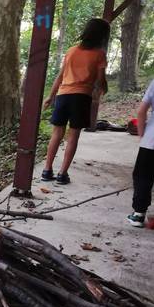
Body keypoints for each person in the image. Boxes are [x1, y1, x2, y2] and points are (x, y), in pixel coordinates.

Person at [42, 18, 110, 185]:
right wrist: (103, 88)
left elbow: (60, 76)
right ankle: (62, 174)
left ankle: (47, 170)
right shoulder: (99, 54)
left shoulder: (72, 51)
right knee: (73, 136)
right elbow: (100, 80)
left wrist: (51, 96)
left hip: (63, 96)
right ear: (102, 36)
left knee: (56, 134)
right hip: (81, 97)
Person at [127, 80, 154, 227]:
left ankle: (138, 214)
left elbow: (141, 111)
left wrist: (142, 135)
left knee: (143, 176)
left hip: (152, 140)